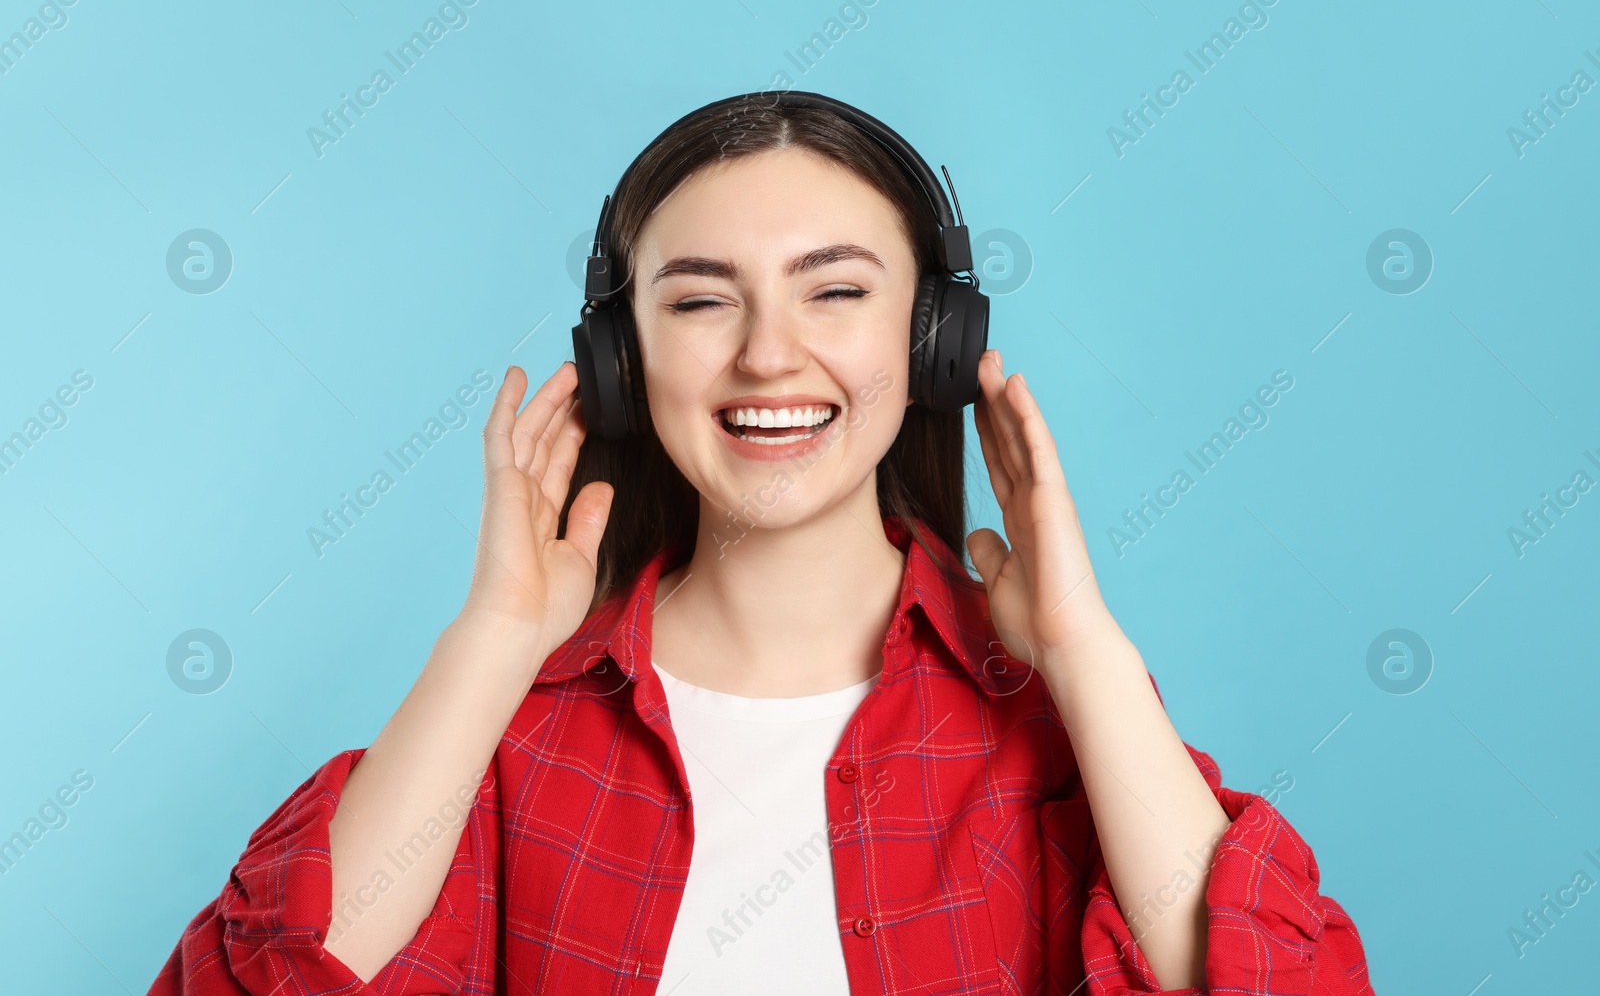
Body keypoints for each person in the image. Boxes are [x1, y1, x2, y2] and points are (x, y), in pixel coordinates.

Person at [148, 93, 1375, 995]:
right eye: (698, 299)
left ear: (932, 342)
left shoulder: (1058, 730)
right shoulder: (511, 735)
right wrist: (493, 644)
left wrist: (1081, 648)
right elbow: (267, 976)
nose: (768, 354)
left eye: (835, 290)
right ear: (622, 366)